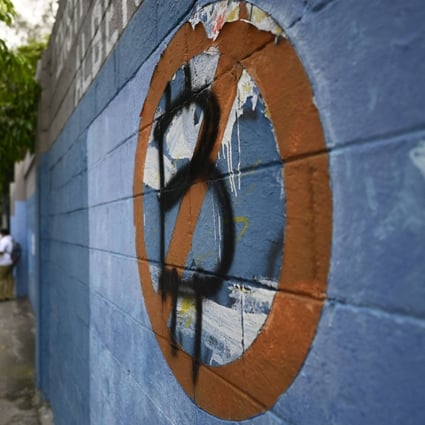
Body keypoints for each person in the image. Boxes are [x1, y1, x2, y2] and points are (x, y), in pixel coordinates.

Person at [0, 228, 15, 301]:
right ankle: (9, 295)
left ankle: (1, 296)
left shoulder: (4, 241)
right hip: (10, 261)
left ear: (2, 233)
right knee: (9, 278)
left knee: (1, 279)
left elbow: (1, 252)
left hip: (3, 262)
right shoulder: (10, 239)